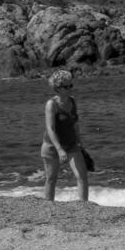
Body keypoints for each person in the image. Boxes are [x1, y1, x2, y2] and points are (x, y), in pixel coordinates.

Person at [41, 69, 89, 202]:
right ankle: (49, 206)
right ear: (58, 88)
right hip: (52, 146)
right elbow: (50, 129)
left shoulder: (72, 101)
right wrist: (59, 149)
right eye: (66, 86)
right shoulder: (52, 104)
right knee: (51, 178)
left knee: (82, 175)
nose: (70, 89)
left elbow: (75, 123)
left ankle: (84, 206)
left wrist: (79, 142)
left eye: (71, 85)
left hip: (71, 144)